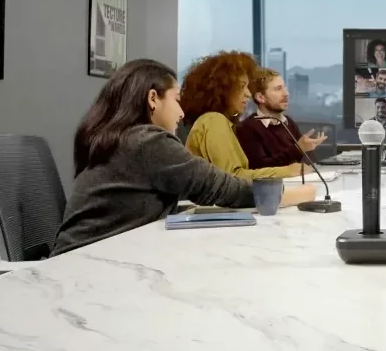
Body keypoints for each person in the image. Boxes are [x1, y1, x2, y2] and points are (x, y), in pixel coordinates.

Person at [51, 60, 299, 256]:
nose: (181, 112)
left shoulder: (121, 138)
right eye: (176, 100)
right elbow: (221, 188)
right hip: (80, 268)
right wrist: (292, 194)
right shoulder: (148, 142)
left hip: (87, 259)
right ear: (152, 99)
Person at [181, 51, 315, 187]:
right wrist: (287, 171)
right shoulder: (213, 120)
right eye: (242, 86)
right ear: (223, 89)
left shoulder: (220, 122)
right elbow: (232, 178)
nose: (248, 93)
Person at [236, 67, 327, 169]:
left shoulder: (288, 123)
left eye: (285, 88)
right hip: (272, 185)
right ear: (261, 97)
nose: (286, 94)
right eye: (278, 89)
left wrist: (307, 149)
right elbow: (260, 168)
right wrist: (298, 148)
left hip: (297, 182)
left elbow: (304, 162)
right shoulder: (248, 128)